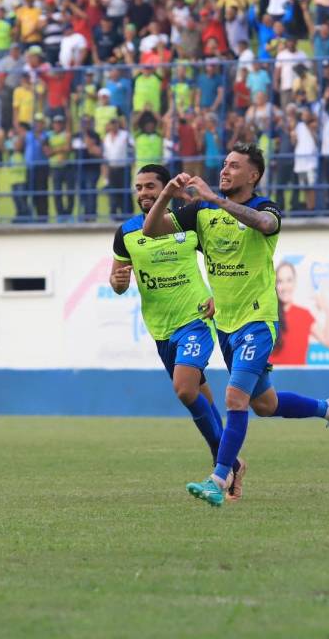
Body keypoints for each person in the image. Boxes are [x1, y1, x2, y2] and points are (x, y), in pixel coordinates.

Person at [142, 143, 329, 508]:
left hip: (258, 321)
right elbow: (151, 228)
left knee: (234, 397)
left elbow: (265, 225)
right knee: (265, 404)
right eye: (223, 165)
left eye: (234, 166)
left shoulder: (263, 208)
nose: (224, 171)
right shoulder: (200, 210)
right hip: (225, 324)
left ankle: (219, 478)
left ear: (253, 175)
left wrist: (215, 199)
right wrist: (169, 196)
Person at [108, 164, 244, 499]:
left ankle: (223, 466)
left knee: (184, 389)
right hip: (161, 329)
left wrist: (218, 296)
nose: (144, 193)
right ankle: (228, 463)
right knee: (199, 397)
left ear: (165, 187)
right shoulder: (126, 232)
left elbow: (222, 261)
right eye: (139, 187)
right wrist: (119, 282)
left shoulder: (188, 221)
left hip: (195, 319)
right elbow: (116, 281)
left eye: (151, 186)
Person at [269, 261, 329, 366]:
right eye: (280, 281)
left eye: (289, 280)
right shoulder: (268, 316)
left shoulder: (304, 315)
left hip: (299, 380)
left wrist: (328, 310)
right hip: (272, 380)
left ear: (295, 283)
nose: (285, 286)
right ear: (275, 285)